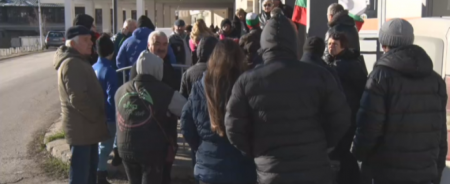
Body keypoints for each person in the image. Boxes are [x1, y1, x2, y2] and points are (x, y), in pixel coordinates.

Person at [225, 16, 351, 184]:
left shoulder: (247, 81)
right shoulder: (320, 75)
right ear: (294, 42)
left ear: (264, 44)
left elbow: (233, 127)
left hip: (272, 173)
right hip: (314, 170)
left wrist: (257, 151)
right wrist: (322, 145)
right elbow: (341, 117)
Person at [352, 19, 448, 184]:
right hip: (424, 173)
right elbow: (440, 134)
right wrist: (437, 171)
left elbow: (369, 127)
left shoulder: (380, 77)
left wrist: (357, 155)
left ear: (384, 44)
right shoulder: (435, 80)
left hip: (387, 172)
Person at [181, 39, 257, 184]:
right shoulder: (248, 86)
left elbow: (186, 124)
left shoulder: (199, 87)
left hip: (208, 168)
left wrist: (201, 147)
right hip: (242, 167)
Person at [115, 52, 187, 184]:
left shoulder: (121, 90)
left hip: (125, 147)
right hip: (151, 149)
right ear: (157, 69)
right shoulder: (164, 90)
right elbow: (185, 109)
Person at [54, 25, 109, 184]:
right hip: (82, 130)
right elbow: (77, 98)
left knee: (89, 173)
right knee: (81, 175)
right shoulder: (72, 63)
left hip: (87, 129)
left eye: (91, 39)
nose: (91, 43)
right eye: (86, 40)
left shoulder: (78, 60)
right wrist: (97, 115)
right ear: (72, 44)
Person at [326, 32, 367, 184]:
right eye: (329, 44)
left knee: (342, 153)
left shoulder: (342, 66)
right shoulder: (347, 62)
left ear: (343, 47)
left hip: (347, 114)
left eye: (335, 45)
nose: (331, 47)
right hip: (348, 114)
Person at [92, 34, 119, 184]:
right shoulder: (110, 71)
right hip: (107, 115)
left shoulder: (93, 68)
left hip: (94, 114)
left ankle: (98, 171)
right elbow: (112, 97)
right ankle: (100, 174)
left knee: (98, 146)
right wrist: (112, 117)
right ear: (112, 51)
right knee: (105, 146)